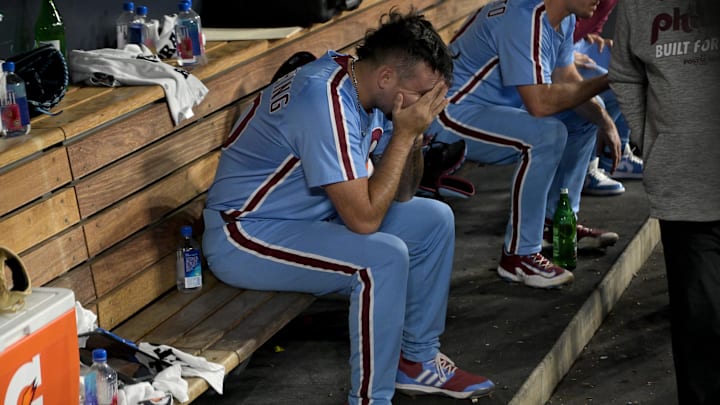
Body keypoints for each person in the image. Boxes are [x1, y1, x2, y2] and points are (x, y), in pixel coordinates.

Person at [201, 10, 495, 405]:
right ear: (387, 76)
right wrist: (406, 131)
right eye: (422, 93)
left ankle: (418, 361)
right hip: (246, 232)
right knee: (381, 258)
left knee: (434, 219)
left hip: (308, 217)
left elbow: (403, 192)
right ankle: (371, 399)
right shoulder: (322, 98)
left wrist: (411, 134)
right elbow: (364, 219)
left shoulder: (370, 90)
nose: (425, 104)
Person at [427, 0, 622, 289]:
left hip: (487, 111)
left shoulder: (561, 17)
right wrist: (610, 79)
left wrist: (604, 120)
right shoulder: (525, 16)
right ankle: (519, 255)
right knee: (547, 134)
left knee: (581, 117)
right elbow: (540, 104)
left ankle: (554, 224)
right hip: (446, 115)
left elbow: (566, 79)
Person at [610, 0, 720, 403]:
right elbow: (623, 74)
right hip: (685, 186)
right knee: (701, 324)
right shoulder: (638, 8)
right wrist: (647, 139)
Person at [572, 0, 644, 196]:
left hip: (576, 45)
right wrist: (565, 54)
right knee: (610, 89)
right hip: (550, 50)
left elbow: (593, 23)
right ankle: (585, 169)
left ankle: (614, 157)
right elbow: (542, 24)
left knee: (634, 65)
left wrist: (594, 36)